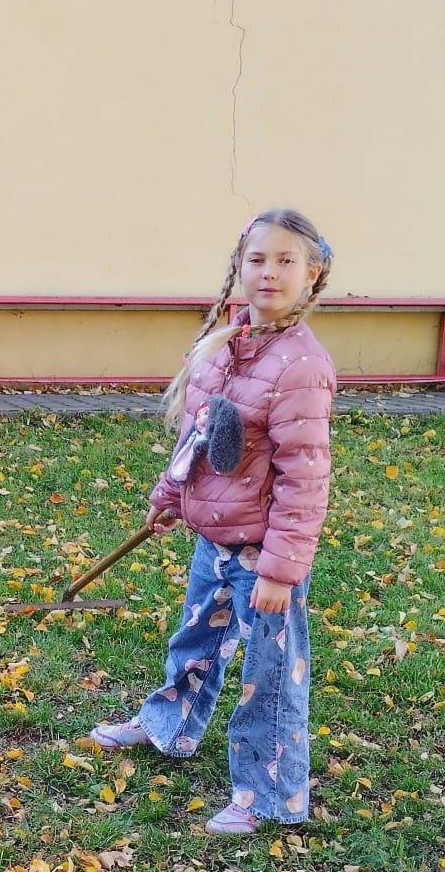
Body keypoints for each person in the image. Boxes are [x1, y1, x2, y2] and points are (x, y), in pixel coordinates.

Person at [89, 207, 336, 835]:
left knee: (269, 676)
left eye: (286, 261)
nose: (269, 272)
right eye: (257, 259)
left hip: (264, 553)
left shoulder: (300, 366)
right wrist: (170, 495)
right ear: (239, 268)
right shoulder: (225, 347)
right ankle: (169, 725)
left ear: (312, 274)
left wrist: (279, 571)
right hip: (215, 537)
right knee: (196, 638)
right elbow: (198, 437)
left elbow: (304, 480)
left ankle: (269, 796)